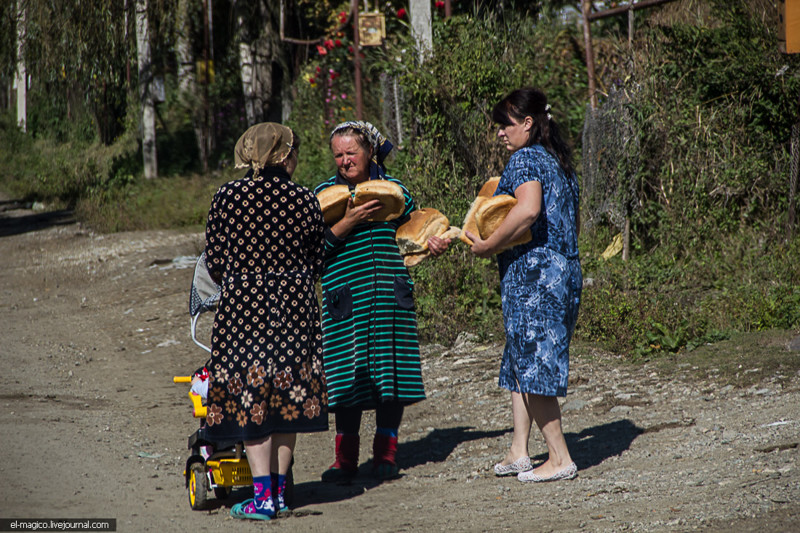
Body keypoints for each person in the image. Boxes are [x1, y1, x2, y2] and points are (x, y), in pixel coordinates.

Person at [202, 122, 328, 520]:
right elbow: (318, 260)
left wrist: (244, 276)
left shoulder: (227, 196)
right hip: (293, 305)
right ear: (283, 155)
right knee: (286, 394)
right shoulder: (305, 199)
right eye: (293, 153)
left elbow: (215, 261)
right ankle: (279, 492)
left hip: (244, 306)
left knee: (250, 395)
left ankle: (261, 498)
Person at [314, 121, 450, 481]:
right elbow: (311, 252)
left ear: (369, 151)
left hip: (391, 295)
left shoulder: (395, 191)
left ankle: (386, 455)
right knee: (347, 376)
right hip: (345, 300)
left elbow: (415, 236)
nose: (344, 161)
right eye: (338, 155)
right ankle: (345, 461)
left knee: (394, 375)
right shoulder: (323, 196)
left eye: (351, 153)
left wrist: (433, 244)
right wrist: (348, 221)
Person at [465, 88, 582, 483]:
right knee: (520, 360)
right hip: (562, 269)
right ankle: (519, 450)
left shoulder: (526, 157)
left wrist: (489, 246)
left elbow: (529, 210)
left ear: (528, 124)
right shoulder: (559, 163)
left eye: (506, 125)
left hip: (535, 276)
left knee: (533, 365)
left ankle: (559, 457)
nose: (500, 133)